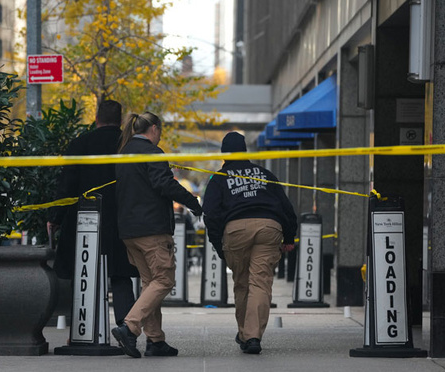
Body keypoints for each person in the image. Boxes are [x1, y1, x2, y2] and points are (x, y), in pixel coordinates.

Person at [111, 112, 202, 358]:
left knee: (149, 283)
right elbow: (164, 183)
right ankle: (130, 328)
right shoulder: (152, 153)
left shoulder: (124, 152)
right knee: (164, 280)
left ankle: (156, 340)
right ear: (153, 128)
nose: (159, 136)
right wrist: (191, 201)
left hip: (129, 230)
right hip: (151, 229)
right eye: (159, 132)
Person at [202, 132, 297, 355]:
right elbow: (286, 208)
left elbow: (211, 214)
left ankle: (246, 332)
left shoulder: (219, 178)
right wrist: (290, 238)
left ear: (223, 154)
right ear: (245, 151)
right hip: (269, 227)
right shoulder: (265, 174)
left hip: (236, 230)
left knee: (243, 283)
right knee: (260, 283)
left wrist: (219, 245)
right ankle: (251, 336)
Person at [47, 99, 139, 328]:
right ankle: (125, 329)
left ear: (96, 118)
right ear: (120, 120)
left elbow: (67, 185)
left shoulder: (80, 144)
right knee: (120, 276)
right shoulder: (128, 146)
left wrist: (55, 217)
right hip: (120, 221)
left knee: (84, 273)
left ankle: (84, 327)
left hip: (84, 221)